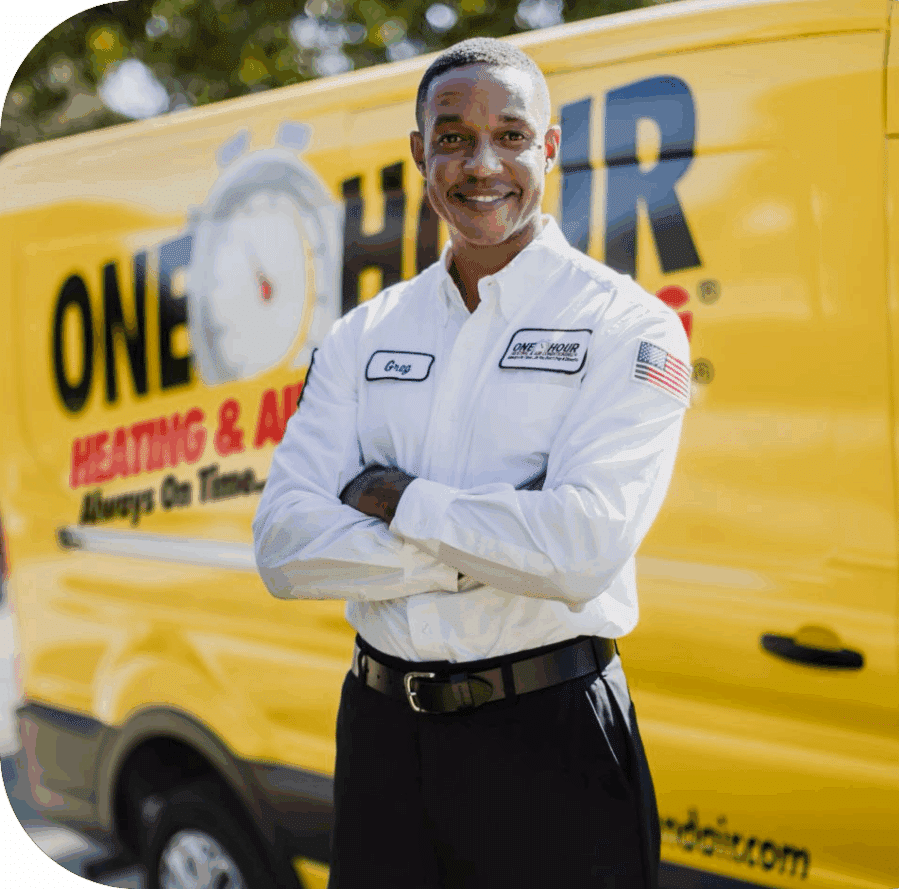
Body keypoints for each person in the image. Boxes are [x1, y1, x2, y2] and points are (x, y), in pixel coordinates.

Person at [252, 36, 691, 889]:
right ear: (420, 153)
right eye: (452, 137)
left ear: (550, 148)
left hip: (549, 735)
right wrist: (490, 545)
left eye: (512, 136)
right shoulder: (365, 333)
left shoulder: (627, 326)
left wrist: (397, 499)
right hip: (382, 738)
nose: (482, 163)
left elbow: (581, 548)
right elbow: (282, 547)